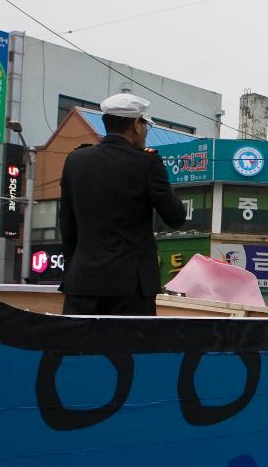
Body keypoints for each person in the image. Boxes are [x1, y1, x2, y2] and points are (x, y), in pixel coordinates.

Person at [58, 93, 187, 315]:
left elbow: (67, 226)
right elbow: (175, 217)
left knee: (80, 348)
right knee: (128, 349)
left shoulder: (76, 160)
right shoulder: (147, 162)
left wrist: (74, 272)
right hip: (131, 288)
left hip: (82, 285)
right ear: (136, 125)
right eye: (146, 125)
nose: (146, 131)